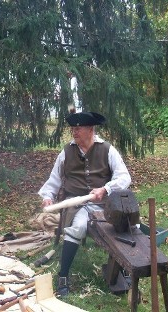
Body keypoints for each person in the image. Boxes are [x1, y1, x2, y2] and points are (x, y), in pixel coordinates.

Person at [38, 110, 131, 297]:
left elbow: (124, 177)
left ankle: (125, 269)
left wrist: (105, 189)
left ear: (90, 129)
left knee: (126, 226)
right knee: (79, 227)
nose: (74, 132)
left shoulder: (107, 149)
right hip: (77, 204)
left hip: (105, 204)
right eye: (73, 128)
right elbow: (54, 179)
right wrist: (48, 196)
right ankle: (63, 276)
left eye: (78, 128)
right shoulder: (66, 152)